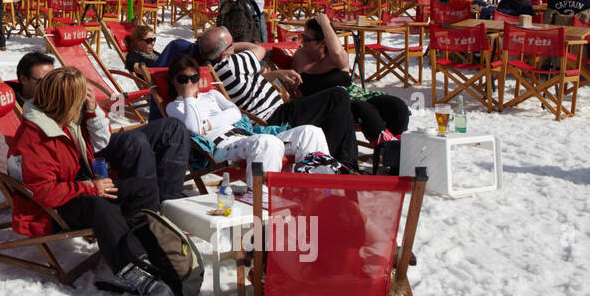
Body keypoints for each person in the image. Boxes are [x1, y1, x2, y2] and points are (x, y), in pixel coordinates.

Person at [11, 66, 175, 296]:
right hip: (54, 206)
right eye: (80, 99)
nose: (84, 102)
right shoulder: (35, 136)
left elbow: (101, 142)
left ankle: (141, 248)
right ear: (66, 102)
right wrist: (88, 187)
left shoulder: (66, 120)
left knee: (142, 187)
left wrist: (91, 110)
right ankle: (132, 272)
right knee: (101, 206)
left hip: (79, 185)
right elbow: (43, 191)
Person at [9, 53, 193, 206]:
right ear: (23, 79)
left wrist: (91, 109)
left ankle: (168, 203)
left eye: (53, 78)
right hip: (78, 162)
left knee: (173, 128)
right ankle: (145, 207)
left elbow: (103, 139)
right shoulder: (25, 112)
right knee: (135, 142)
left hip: (91, 145)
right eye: (43, 81)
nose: (53, 85)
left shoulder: (65, 93)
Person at [197, 26, 359, 171]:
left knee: (338, 107)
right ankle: (345, 163)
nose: (234, 44)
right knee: (338, 96)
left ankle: (339, 161)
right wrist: (233, 46)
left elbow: (249, 81)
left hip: (274, 114)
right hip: (274, 118)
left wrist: (275, 74)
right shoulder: (233, 63)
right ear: (226, 51)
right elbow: (257, 48)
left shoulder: (221, 70)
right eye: (231, 42)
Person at [165, 54, 329, 176]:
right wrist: (188, 97)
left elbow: (235, 113)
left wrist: (207, 124)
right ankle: (261, 197)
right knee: (267, 143)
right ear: (173, 80)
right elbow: (194, 128)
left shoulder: (212, 95)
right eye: (183, 79)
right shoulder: (174, 107)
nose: (189, 83)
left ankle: (317, 189)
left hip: (245, 137)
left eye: (194, 77)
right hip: (222, 147)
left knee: (311, 132)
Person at [289, 12, 410, 145]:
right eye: (302, 37)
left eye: (306, 39)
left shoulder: (335, 58)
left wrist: (325, 24)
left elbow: (336, 51)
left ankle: (398, 151)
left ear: (323, 42)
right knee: (364, 109)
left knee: (397, 106)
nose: (301, 42)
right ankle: (386, 149)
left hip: (354, 95)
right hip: (328, 105)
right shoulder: (301, 56)